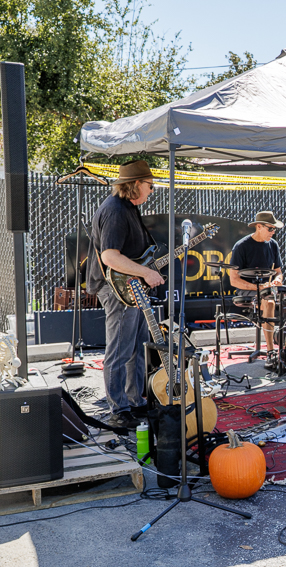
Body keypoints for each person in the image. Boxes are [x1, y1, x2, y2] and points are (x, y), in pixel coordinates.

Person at [87, 160, 164, 429]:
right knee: (120, 349)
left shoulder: (128, 208)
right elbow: (110, 256)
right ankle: (118, 409)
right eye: (150, 185)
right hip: (118, 290)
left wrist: (145, 269)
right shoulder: (116, 211)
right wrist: (146, 273)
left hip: (132, 288)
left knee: (136, 346)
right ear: (135, 185)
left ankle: (135, 401)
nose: (152, 190)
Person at [229, 211, 284, 366]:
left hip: (267, 289)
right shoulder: (241, 246)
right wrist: (258, 287)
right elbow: (234, 280)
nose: (273, 232)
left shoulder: (273, 245)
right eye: (270, 229)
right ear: (259, 227)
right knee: (270, 303)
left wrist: (277, 280)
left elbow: (279, 272)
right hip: (247, 289)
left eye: (274, 229)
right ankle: (271, 351)